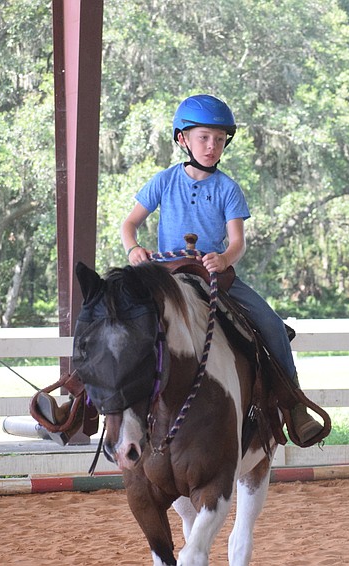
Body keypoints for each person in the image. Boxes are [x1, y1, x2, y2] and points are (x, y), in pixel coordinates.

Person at [120, 93, 323, 443]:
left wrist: (224, 259)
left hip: (216, 278)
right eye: (203, 138)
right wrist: (133, 249)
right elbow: (129, 225)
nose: (212, 146)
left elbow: (237, 242)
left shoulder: (229, 189)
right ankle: (83, 402)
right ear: (183, 139)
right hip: (166, 278)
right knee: (115, 320)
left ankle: (295, 406)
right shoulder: (163, 182)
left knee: (272, 326)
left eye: (219, 139)